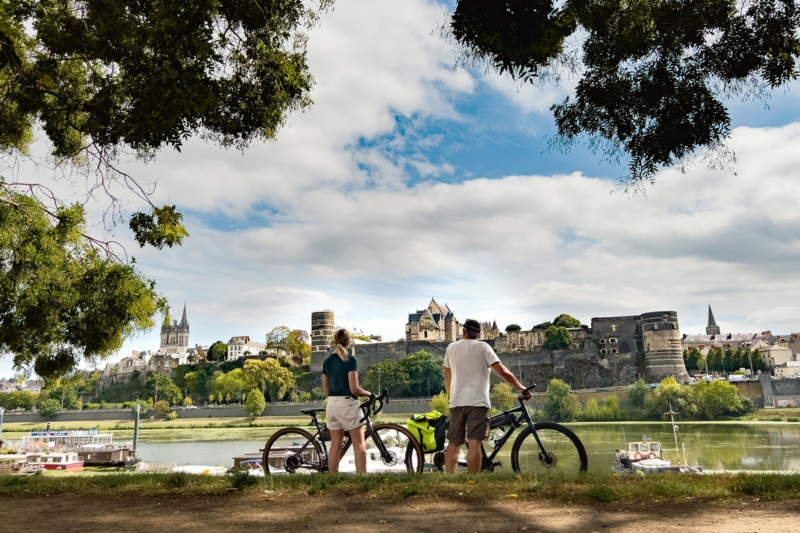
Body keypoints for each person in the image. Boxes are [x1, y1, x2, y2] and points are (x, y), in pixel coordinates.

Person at [444, 318, 531, 474]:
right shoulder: (483, 347)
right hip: (477, 401)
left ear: (463, 331)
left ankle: (449, 479)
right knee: (474, 442)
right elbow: (502, 371)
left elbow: (447, 375)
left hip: (456, 402)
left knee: (454, 442)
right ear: (478, 334)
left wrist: (451, 396)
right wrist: (520, 387)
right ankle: (473, 480)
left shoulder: (451, 347)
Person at [321, 328, 372, 473]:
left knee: (335, 445)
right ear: (348, 343)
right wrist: (369, 394)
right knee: (359, 444)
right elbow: (354, 389)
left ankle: (332, 478)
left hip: (331, 404)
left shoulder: (327, 361)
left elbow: (326, 390)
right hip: (348, 403)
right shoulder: (350, 360)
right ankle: (362, 478)